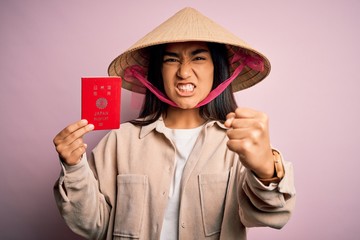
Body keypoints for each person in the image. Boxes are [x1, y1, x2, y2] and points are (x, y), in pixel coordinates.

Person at [53, 7, 296, 240]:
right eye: (171, 60)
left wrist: (266, 169)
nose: (184, 72)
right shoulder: (120, 140)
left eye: (198, 57)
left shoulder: (238, 144)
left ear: (217, 69)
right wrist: (74, 167)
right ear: (158, 72)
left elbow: (270, 215)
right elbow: (92, 225)